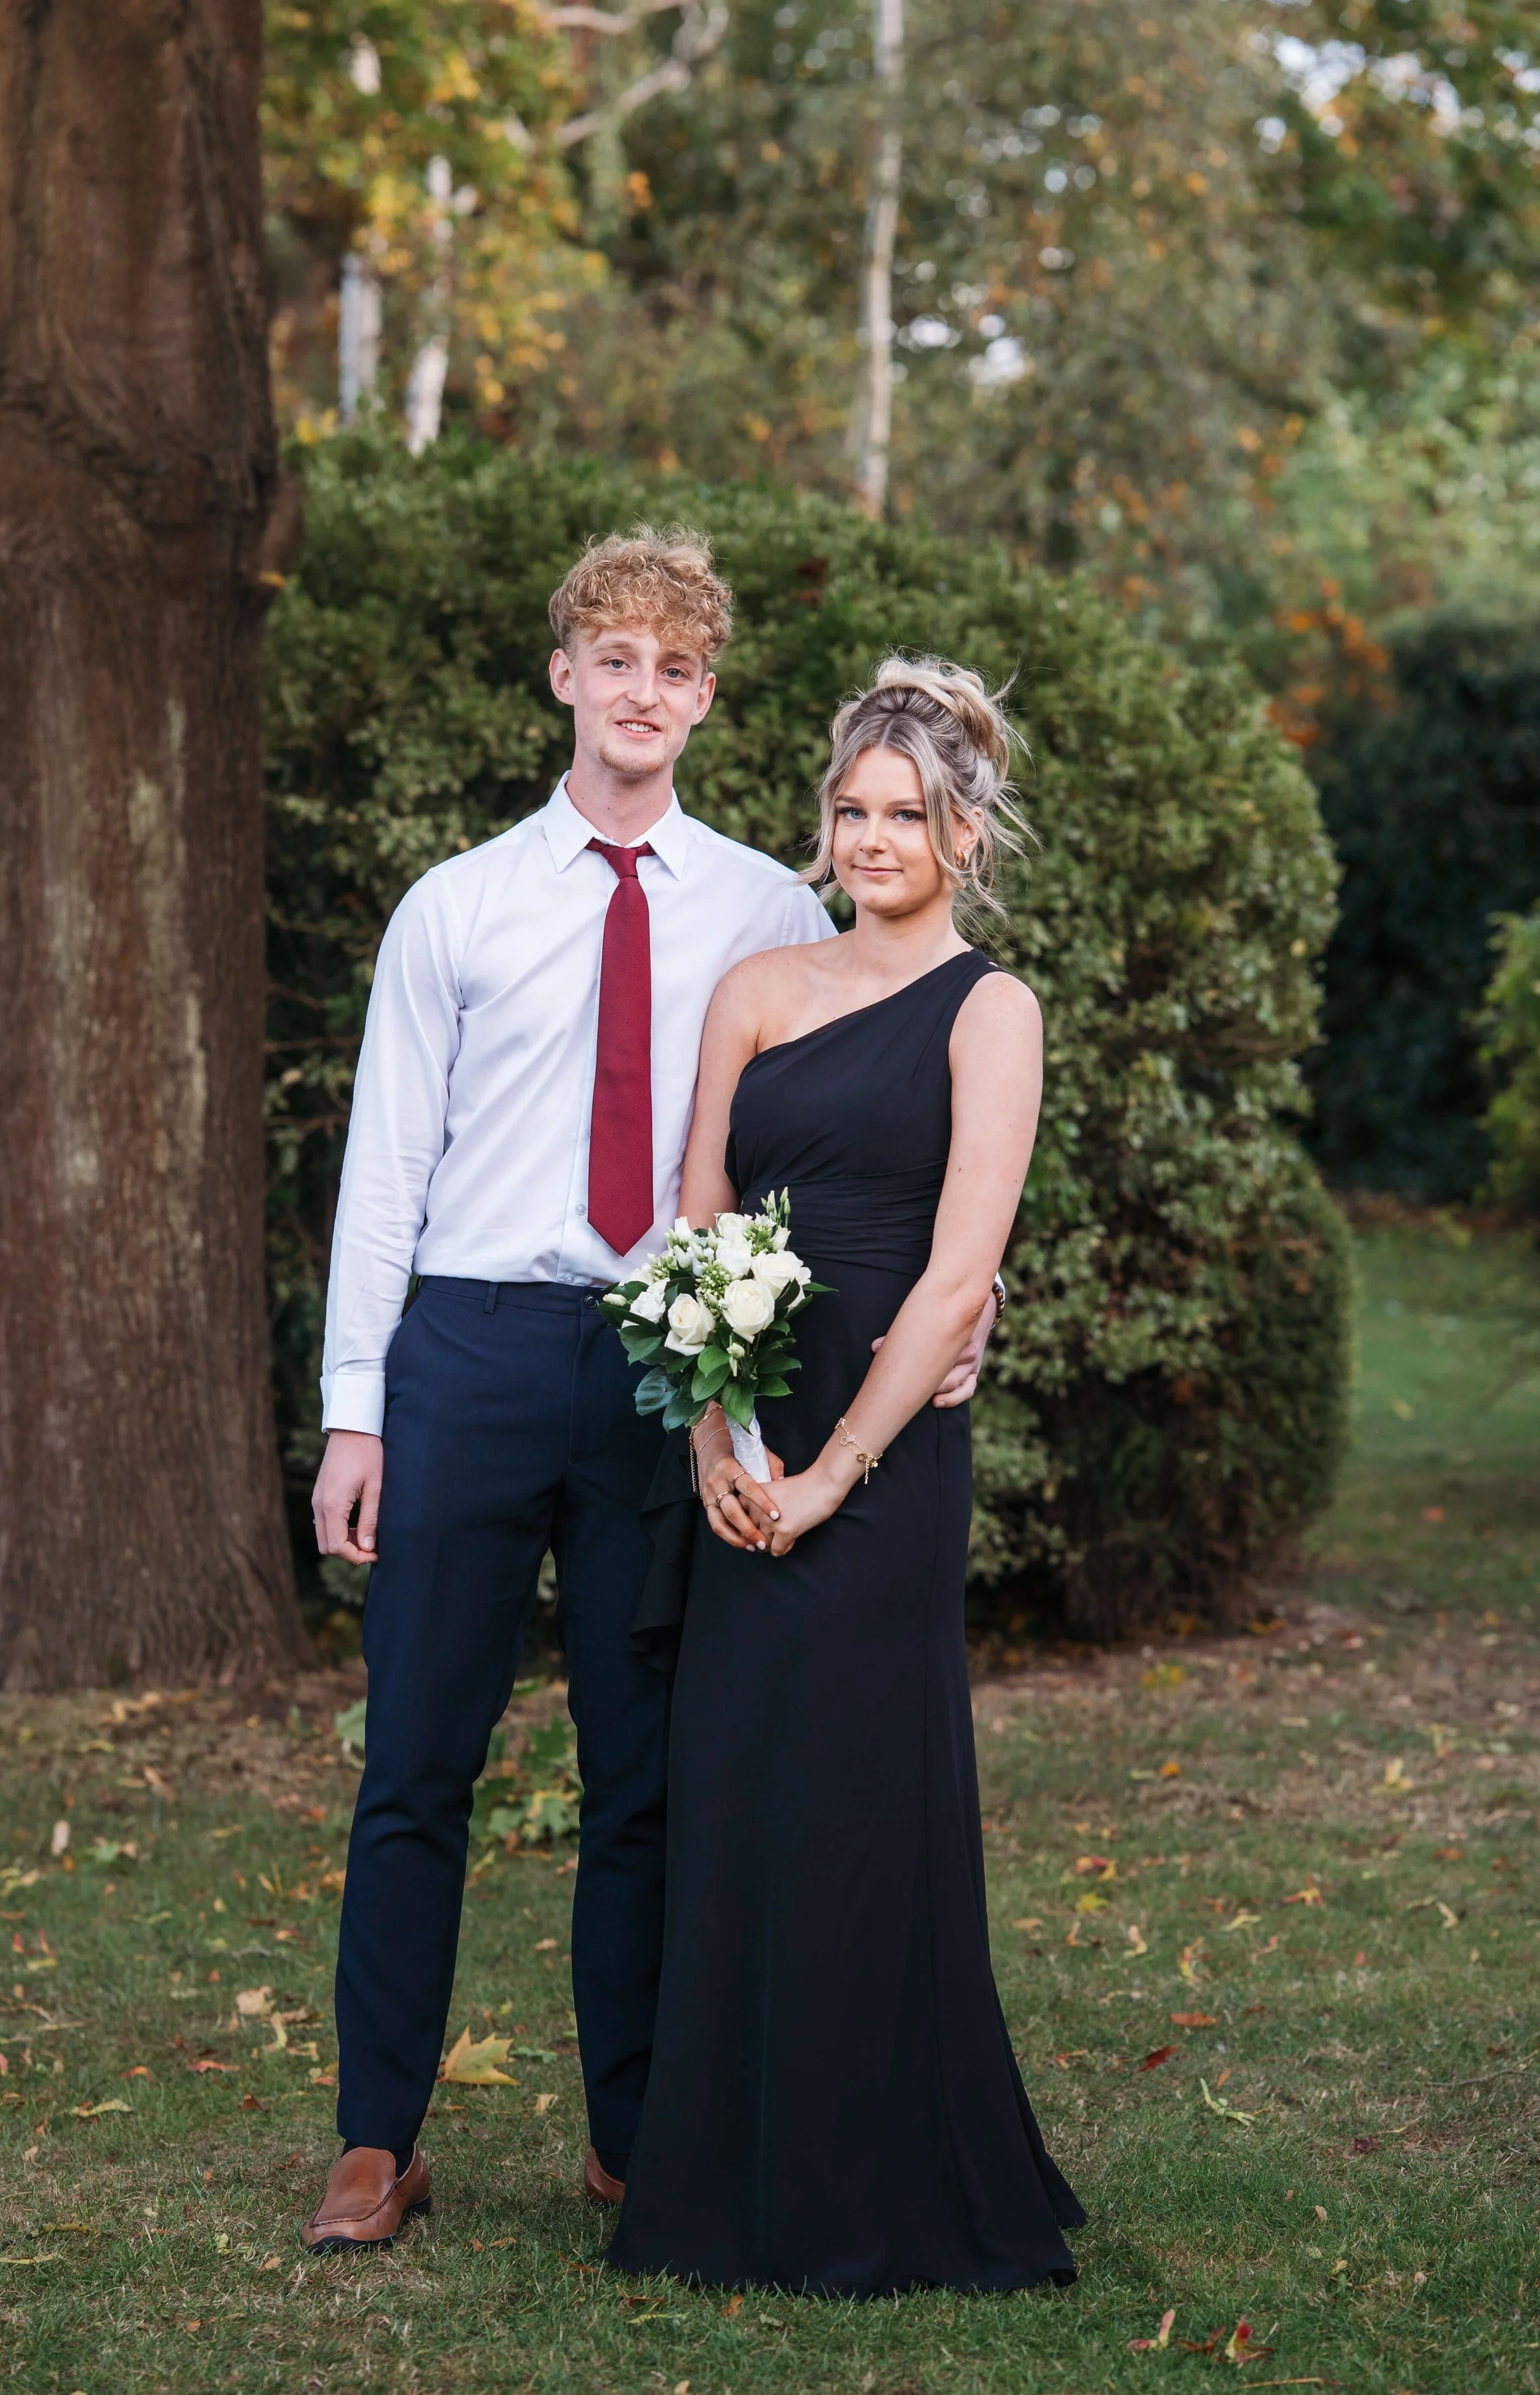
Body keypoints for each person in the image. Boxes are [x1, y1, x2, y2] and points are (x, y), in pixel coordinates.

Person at [298, 533, 996, 2254]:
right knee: (415, 1760)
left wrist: (968, 1306)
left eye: (673, 668)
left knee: (642, 1773)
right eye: (611, 658)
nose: (641, 691)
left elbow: (871, 1129)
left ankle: (637, 2127)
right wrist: (355, 1408)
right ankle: (376, 2137)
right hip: (466, 1348)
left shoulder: (772, 907)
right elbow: (383, 1172)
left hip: (660, 1367)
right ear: (565, 679)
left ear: (704, 697)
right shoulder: (452, 904)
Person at [607, 656, 1085, 2296]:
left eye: (906, 813)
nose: (872, 837)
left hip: (884, 1444)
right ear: (822, 825)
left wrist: (831, 1476)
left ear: (961, 831)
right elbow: (695, 1225)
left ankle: (873, 2170)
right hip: (741, 1420)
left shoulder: (992, 1010)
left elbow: (960, 1276)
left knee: (860, 1799)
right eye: (850, 810)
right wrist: (717, 1438)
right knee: (736, 1789)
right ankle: (716, 2175)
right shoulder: (757, 987)